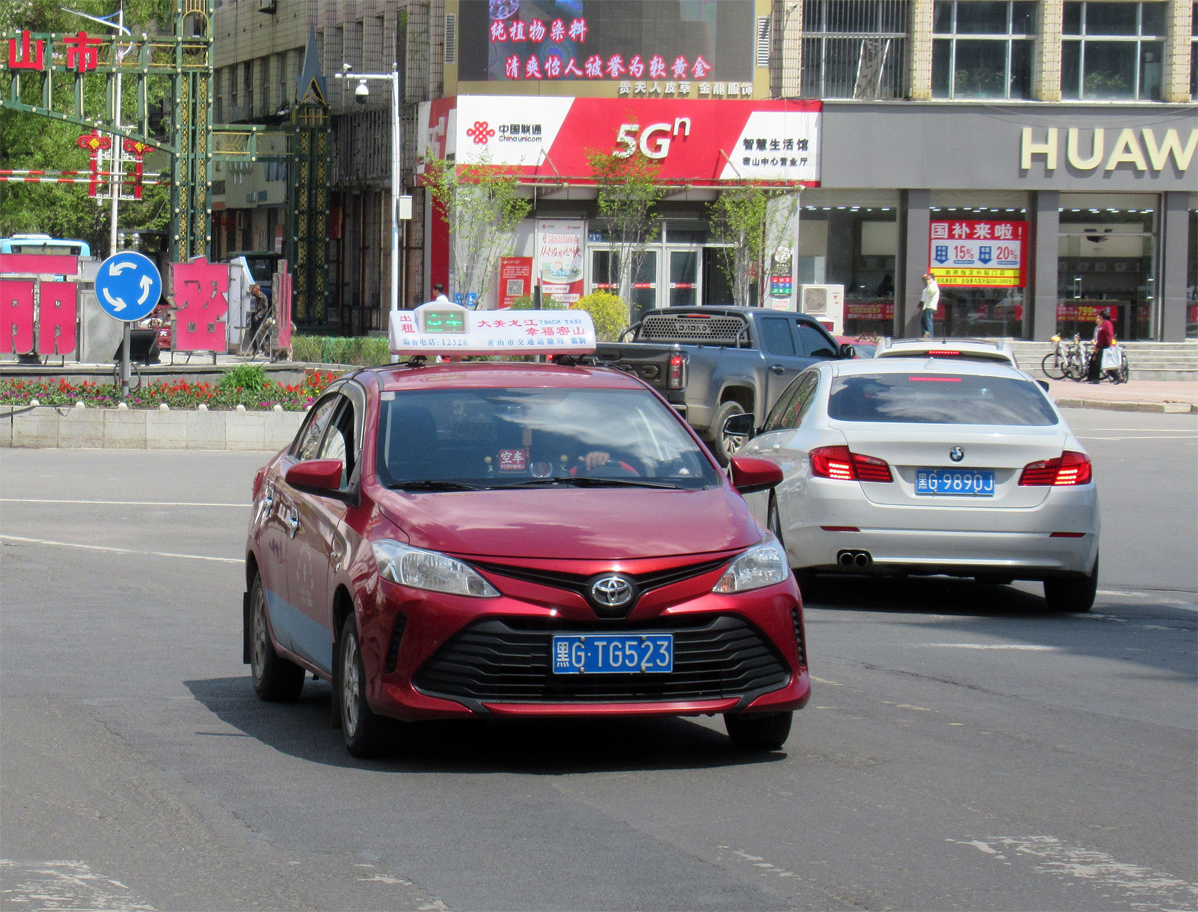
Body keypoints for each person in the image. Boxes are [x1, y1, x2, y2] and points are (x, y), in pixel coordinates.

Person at [1085, 309, 1117, 383]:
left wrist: (1111, 345)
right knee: (1094, 361)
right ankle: (1091, 378)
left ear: (1102, 316)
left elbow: (1109, 335)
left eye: (1099, 316)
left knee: (1098, 363)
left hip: (1104, 346)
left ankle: (1096, 379)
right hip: (1100, 346)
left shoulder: (1107, 324)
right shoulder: (1103, 324)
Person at [919, 273, 940, 338]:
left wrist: (928, 283)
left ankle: (930, 335)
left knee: (928, 321)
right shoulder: (930, 286)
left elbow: (930, 292)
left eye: (928, 279)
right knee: (923, 321)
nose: (926, 280)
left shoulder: (933, 285)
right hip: (927, 306)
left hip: (930, 306)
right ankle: (926, 333)